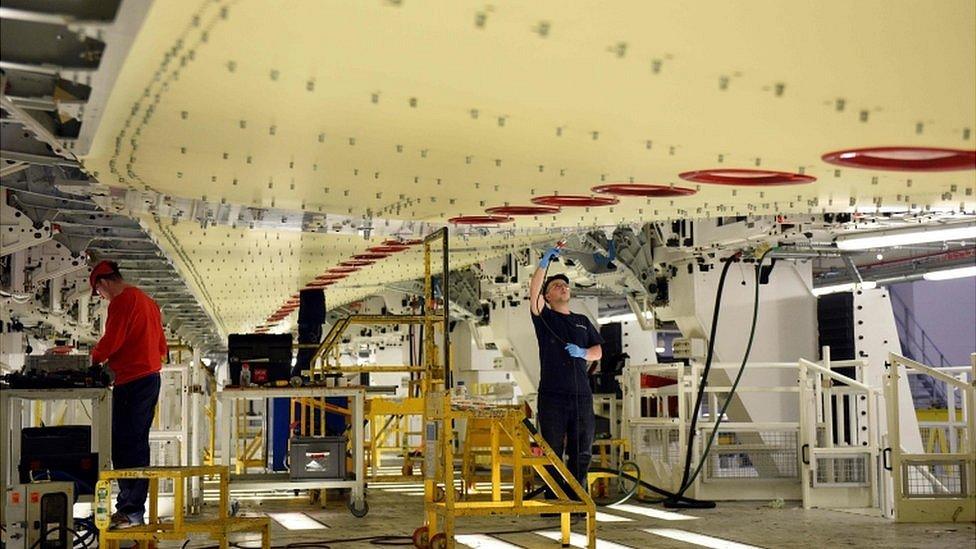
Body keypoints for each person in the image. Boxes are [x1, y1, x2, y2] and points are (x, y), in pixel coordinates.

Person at [89, 260, 168, 529]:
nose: (101, 297)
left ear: (104, 282)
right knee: (135, 442)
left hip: (132, 382)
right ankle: (131, 509)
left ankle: (130, 510)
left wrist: (93, 359)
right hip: (149, 378)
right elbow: (161, 346)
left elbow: (112, 340)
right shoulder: (148, 301)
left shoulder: (122, 301)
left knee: (126, 445)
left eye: (98, 291)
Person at [529, 245, 603, 500]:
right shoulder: (545, 318)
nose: (563, 287)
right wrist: (543, 264)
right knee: (551, 449)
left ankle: (577, 496)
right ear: (548, 296)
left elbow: (598, 351)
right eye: (556, 286)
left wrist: (583, 353)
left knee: (581, 450)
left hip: (581, 396)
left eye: (565, 285)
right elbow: (533, 294)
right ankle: (554, 498)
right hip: (552, 396)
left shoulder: (582, 320)